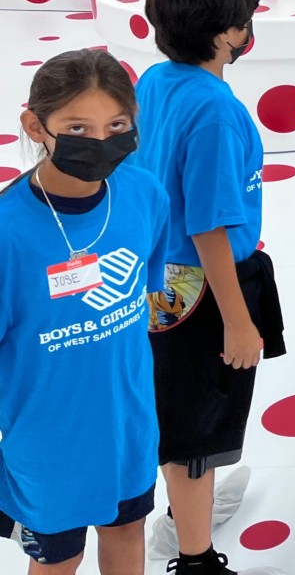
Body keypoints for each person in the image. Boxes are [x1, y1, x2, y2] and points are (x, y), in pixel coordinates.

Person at [135, 0, 286, 575]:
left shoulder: (153, 80)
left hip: (158, 278)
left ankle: (185, 512)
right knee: (198, 427)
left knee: (177, 407)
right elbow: (209, 226)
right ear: (227, 32)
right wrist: (238, 320)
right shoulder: (216, 111)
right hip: (201, 285)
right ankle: (195, 554)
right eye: (244, 18)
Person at [0, 50, 169, 575]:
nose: (100, 142)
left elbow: (147, 297)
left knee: (126, 533)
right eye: (78, 126)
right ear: (35, 125)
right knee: (59, 560)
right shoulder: (8, 233)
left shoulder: (143, 194)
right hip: (47, 445)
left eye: (116, 125)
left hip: (128, 424)